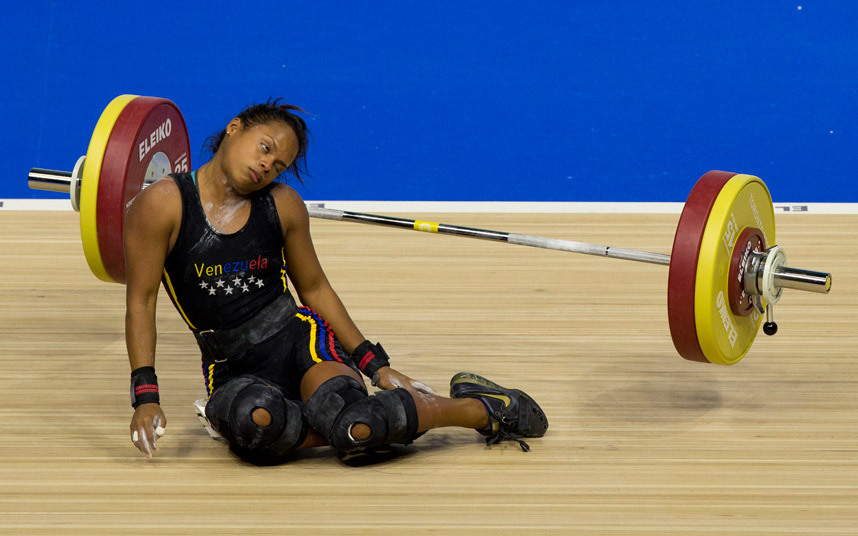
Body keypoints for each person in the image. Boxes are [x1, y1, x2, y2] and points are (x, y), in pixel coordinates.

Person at [123, 99, 548, 462]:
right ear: (234, 128)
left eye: (278, 164)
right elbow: (141, 302)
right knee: (258, 420)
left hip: (299, 342)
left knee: (356, 429)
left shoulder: (284, 206)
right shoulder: (162, 206)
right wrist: (146, 397)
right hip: (231, 365)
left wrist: (374, 365)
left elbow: (315, 289)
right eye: (264, 148)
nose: (266, 165)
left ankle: (480, 408)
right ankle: (263, 422)